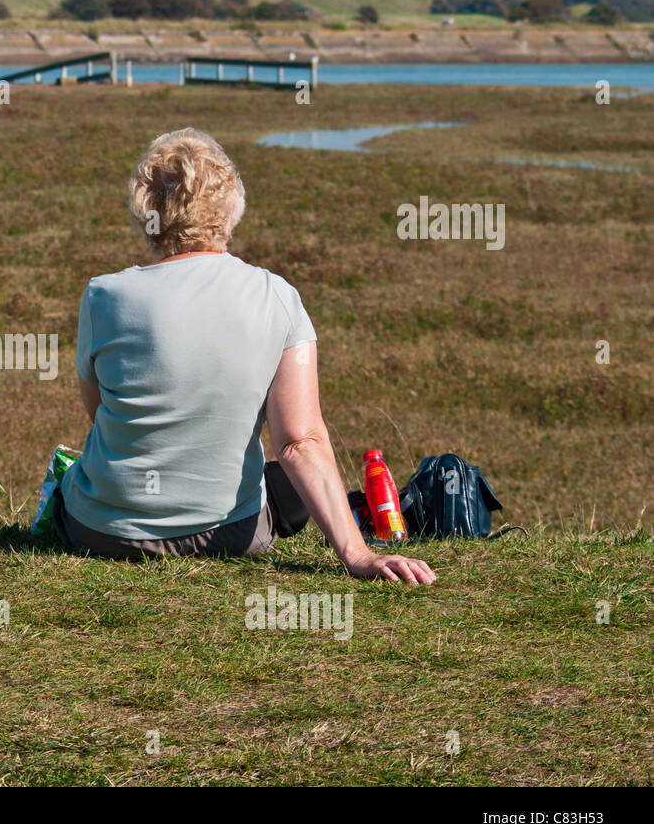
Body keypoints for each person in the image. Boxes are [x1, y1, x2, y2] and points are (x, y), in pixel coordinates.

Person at [53, 128, 435, 585]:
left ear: (144, 210)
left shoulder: (104, 295)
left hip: (101, 531)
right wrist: (356, 553)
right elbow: (299, 443)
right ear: (231, 206)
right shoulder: (276, 296)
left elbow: (100, 413)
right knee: (287, 492)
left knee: (74, 478)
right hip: (230, 534)